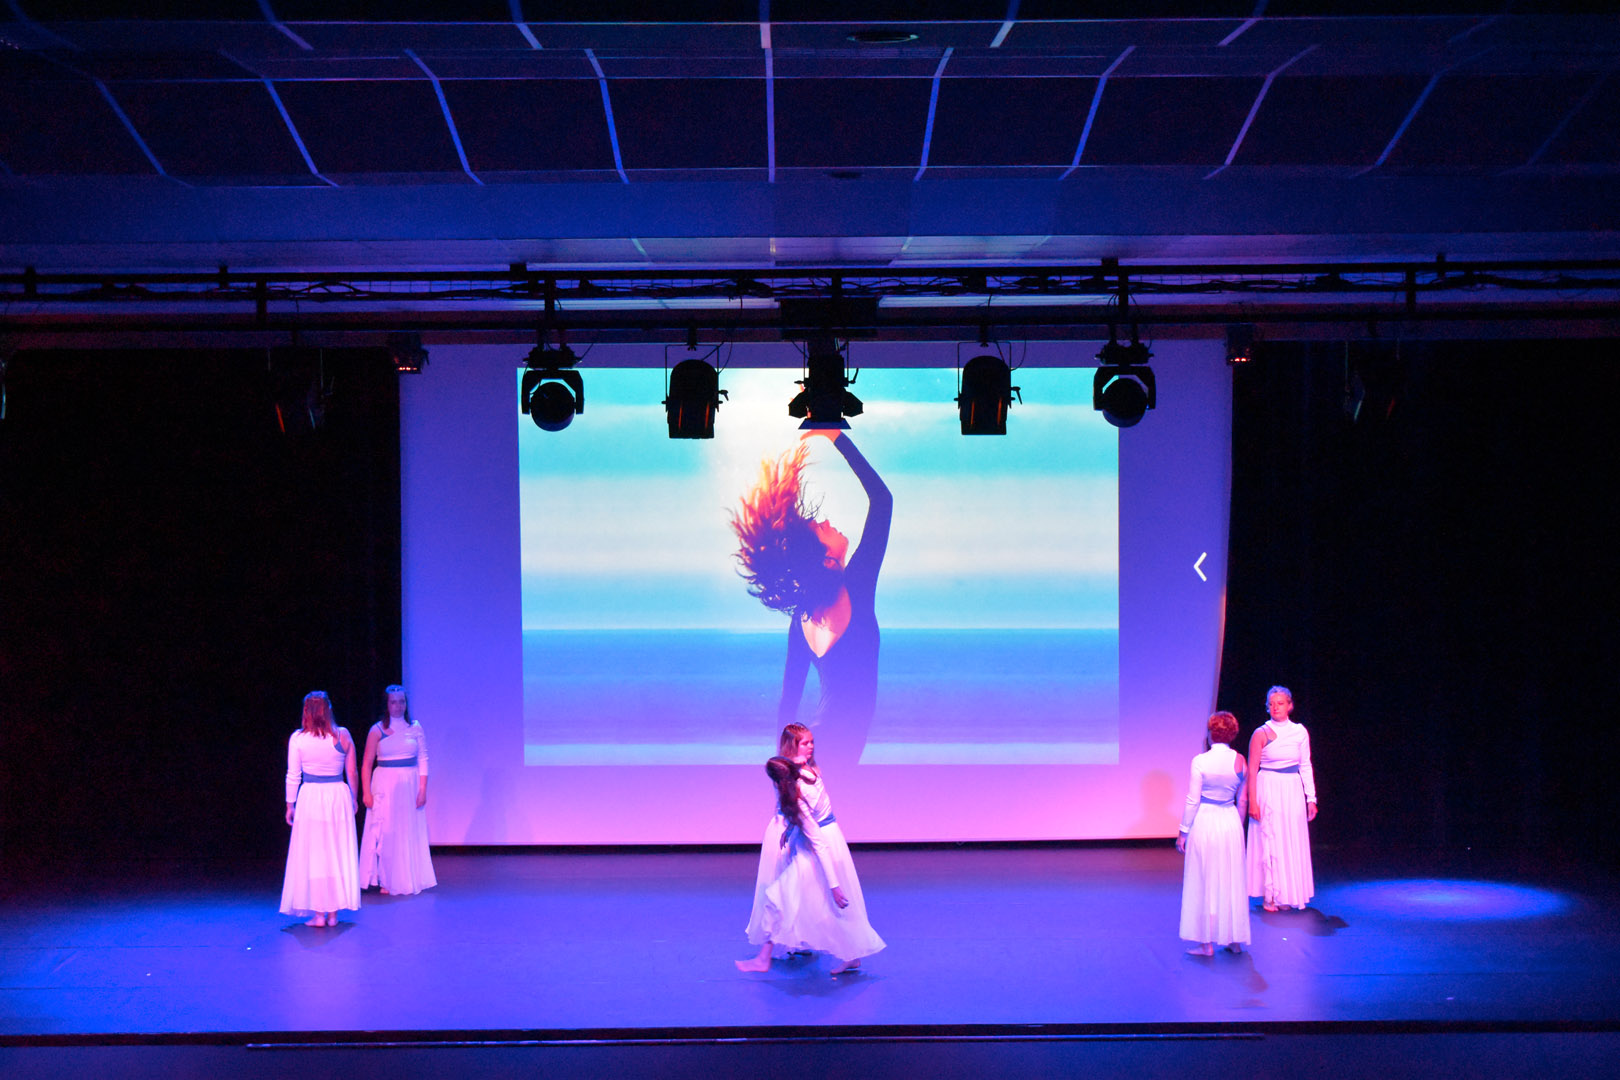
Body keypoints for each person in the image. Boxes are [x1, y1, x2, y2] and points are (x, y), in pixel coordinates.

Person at [731, 430, 891, 771]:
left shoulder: (801, 618)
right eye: (821, 528)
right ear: (827, 559)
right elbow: (882, 500)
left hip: (816, 747)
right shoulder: (857, 586)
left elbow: (788, 700)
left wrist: (783, 766)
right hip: (835, 748)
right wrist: (836, 435)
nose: (827, 521)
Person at [736, 723, 885, 975]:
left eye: (811, 742)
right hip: (818, 839)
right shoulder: (802, 779)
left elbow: (816, 837)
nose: (811, 747)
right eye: (805, 743)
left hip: (820, 842)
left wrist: (834, 885)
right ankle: (772, 955)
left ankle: (765, 958)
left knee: (800, 898)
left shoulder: (803, 783)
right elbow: (806, 819)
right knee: (793, 898)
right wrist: (792, 828)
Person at [280, 691, 360, 927]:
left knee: (316, 854)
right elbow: (352, 772)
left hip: (311, 798)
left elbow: (293, 774)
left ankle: (319, 914)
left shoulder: (298, 739)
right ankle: (332, 914)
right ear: (328, 709)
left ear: (306, 712)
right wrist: (353, 798)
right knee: (335, 852)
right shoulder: (342, 734)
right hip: (337, 796)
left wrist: (290, 804)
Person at [1178, 711, 1251, 955]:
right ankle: (1234, 940)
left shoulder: (1200, 761)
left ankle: (1206, 943)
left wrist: (1183, 832)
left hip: (1206, 821)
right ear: (1232, 734)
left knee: (1204, 878)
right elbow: (1243, 800)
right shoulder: (1240, 760)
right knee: (1230, 880)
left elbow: (1193, 800)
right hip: (1230, 820)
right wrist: (1237, 828)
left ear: (1211, 734)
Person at [359, 684, 436, 896]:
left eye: (402, 702)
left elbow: (423, 758)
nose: (398, 706)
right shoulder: (377, 730)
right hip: (385, 785)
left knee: (408, 830)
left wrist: (422, 789)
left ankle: (410, 876)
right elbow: (366, 764)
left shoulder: (415, 728)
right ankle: (387, 879)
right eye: (393, 702)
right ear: (387, 704)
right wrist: (366, 792)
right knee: (387, 831)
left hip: (410, 784)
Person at [1246, 686, 1318, 912]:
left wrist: (1311, 798)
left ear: (1289, 706)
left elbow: (1305, 765)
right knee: (1271, 840)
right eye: (1271, 703)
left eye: (1280, 703)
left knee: (1290, 839)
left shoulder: (1299, 732)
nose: (1275, 707)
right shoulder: (1261, 733)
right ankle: (1270, 895)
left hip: (1292, 789)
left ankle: (1286, 894)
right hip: (1269, 787)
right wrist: (1253, 801)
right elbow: (1252, 770)